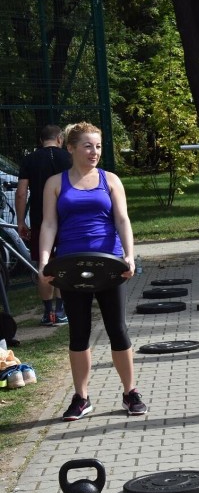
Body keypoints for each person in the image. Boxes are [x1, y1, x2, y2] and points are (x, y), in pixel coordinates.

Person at [38, 122, 146, 421]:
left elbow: (122, 220)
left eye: (98, 146)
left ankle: (130, 392)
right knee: (79, 333)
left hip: (109, 264)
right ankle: (81, 398)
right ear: (70, 148)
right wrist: (44, 261)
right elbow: (48, 224)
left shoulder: (110, 180)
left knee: (117, 329)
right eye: (88, 146)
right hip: (71, 267)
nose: (94, 152)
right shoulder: (55, 183)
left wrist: (129, 255)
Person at [16, 125, 73, 327]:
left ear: (41, 141)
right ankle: (61, 310)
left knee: (45, 263)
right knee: (64, 261)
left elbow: (22, 192)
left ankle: (47, 312)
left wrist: (21, 221)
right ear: (60, 139)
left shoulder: (29, 159)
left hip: (40, 220)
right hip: (67, 217)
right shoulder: (68, 158)